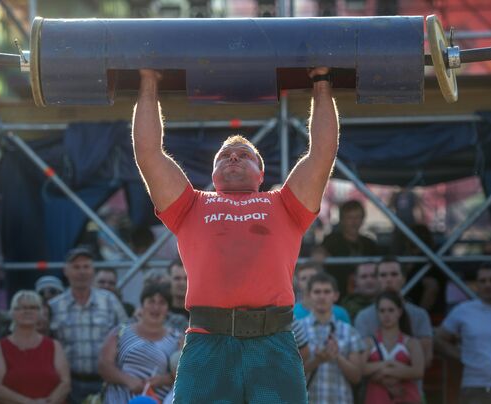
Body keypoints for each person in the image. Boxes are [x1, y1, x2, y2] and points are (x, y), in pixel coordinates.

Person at [132, 65, 339, 403]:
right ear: (212, 174)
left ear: (261, 173)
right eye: (224, 156)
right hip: (207, 340)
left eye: (244, 156)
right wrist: (148, 79)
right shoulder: (191, 205)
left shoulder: (285, 203)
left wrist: (321, 81)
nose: (232, 158)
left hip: (272, 341)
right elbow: (149, 154)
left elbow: (322, 153)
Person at [49, 247, 128, 403]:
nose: (82, 272)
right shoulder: (54, 306)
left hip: (106, 382)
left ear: (93, 271)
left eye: (86, 267)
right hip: (68, 385)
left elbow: (127, 336)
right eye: (76, 267)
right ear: (66, 271)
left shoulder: (110, 301)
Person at [98, 282, 180, 403]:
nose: (156, 307)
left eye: (162, 302)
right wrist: (127, 380)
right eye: (151, 301)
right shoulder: (120, 332)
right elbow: (103, 366)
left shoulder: (177, 338)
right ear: (142, 305)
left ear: (168, 309)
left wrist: (163, 380)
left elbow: (188, 374)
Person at [435, 262, 491, 404]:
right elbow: (438, 339)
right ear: (476, 284)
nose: (488, 285)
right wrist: (461, 355)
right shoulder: (464, 310)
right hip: (475, 385)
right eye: (483, 281)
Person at [0, 290, 70, 403]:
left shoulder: (54, 346)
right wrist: (28, 402)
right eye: (21, 307)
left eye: (33, 307)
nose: (27, 311)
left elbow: (65, 383)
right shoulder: (0, 347)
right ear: (12, 312)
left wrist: (48, 402)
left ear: (40, 312)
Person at [354, 257, 433, 368]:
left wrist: (396, 373)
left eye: (394, 274)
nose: (389, 279)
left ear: (404, 279)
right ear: (376, 280)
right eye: (383, 275)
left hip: (410, 384)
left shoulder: (420, 315)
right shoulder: (363, 317)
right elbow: (359, 362)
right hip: (374, 383)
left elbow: (426, 359)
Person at [300, 272, 363, 403]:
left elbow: (357, 376)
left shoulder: (350, 332)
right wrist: (316, 360)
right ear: (309, 296)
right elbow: (290, 375)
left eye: (327, 292)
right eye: (317, 292)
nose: (322, 296)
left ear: (336, 296)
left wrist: (337, 357)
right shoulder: (297, 331)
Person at [362, 290, 424, 404]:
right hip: (376, 398)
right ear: (377, 313)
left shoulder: (411, 342)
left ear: (399, 312)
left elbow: (418, 371)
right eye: (382, 311)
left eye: (391, 310)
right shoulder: (368, 342)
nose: (386, 315)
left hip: (406, 398)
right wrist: (388, 364)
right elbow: (361, 368)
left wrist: (383, 372)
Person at [322, 200, 379, 295]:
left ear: (363, 219)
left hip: (366, 293)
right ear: (342, 220)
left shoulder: (369, 242)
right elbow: (319, 252)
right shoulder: (331, 240)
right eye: (349, 217)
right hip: (338, 291)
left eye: (357, 217)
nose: (354, 222)